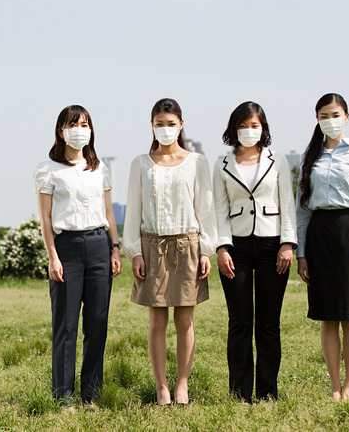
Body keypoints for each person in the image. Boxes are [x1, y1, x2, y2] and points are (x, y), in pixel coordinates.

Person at [123, 98, 217, 406]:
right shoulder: (141, 163)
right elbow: (134, 209)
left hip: (187, 244)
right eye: (159, 124)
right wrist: (135, 252)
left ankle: (182, 384)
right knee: (157, 319)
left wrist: (205, 250)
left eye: (171, 123)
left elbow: (204, 207)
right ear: (151, 126)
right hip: (152, 244)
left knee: (185, 318)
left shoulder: (197, 161)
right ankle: (161, 386)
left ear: (181, 124)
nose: (166, 129)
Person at [34, 105, 122, 408]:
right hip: (67, 248)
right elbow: (45, 219)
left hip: (99, 245)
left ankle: (91, 394)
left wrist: (115, 248)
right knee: (67, 325)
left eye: (85, 124)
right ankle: (64, 396)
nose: (80, 129)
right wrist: (53, 257)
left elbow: (109, 211)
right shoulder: (48, 170)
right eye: (73, 124)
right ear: (61, 131)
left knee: (97, 324)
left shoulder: (99, 167)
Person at [296, 93, 349, 402]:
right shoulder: (310, 156)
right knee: (326, 315)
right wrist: (302, 252)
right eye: (323, 115)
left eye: (335, 114)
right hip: (319, 235)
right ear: (317, 119)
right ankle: (334, 384)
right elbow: (302, 210)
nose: (329, 120)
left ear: (346, 116)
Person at [212, 101, 297, 403]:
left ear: (263, 129)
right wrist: (221, 248)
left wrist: (288, 243)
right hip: (236, 248)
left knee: (268, 323)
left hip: (273, 245)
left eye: (255, 125)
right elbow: (219, 209)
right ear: (234, 129)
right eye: (244, 125)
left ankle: (267, 392)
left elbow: (287, 202)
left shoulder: (278, 160)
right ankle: (239, 394)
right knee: (239, 322)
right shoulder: (222, 164)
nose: (249, 131)